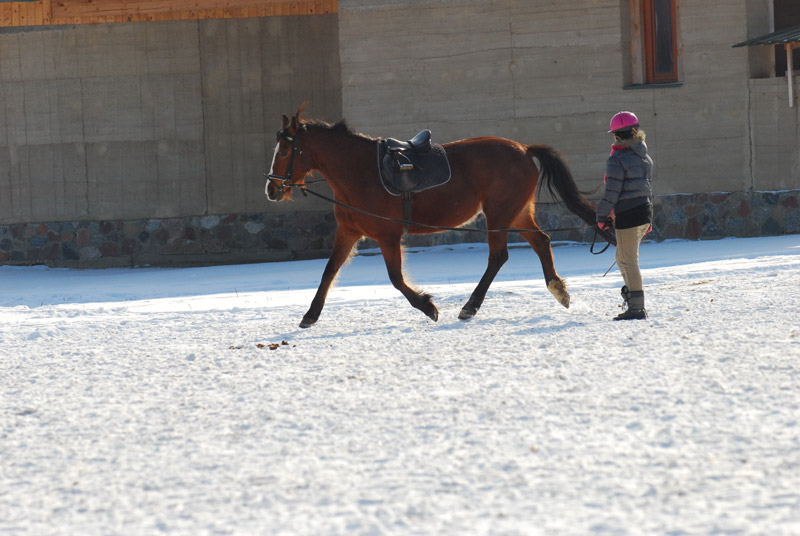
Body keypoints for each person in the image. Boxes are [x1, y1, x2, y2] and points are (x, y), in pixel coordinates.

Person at [596, 111, 653, 320]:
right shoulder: (644, 156)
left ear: (616, 136)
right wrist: (649, 219)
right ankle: (633, 300)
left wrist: (601, 216)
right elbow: (645, 188)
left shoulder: (617, 158)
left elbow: (612, 191)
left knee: (628, 261)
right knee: (622, 258)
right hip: (644, 212)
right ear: (635, 132)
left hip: (629, 216)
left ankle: (637, 309)